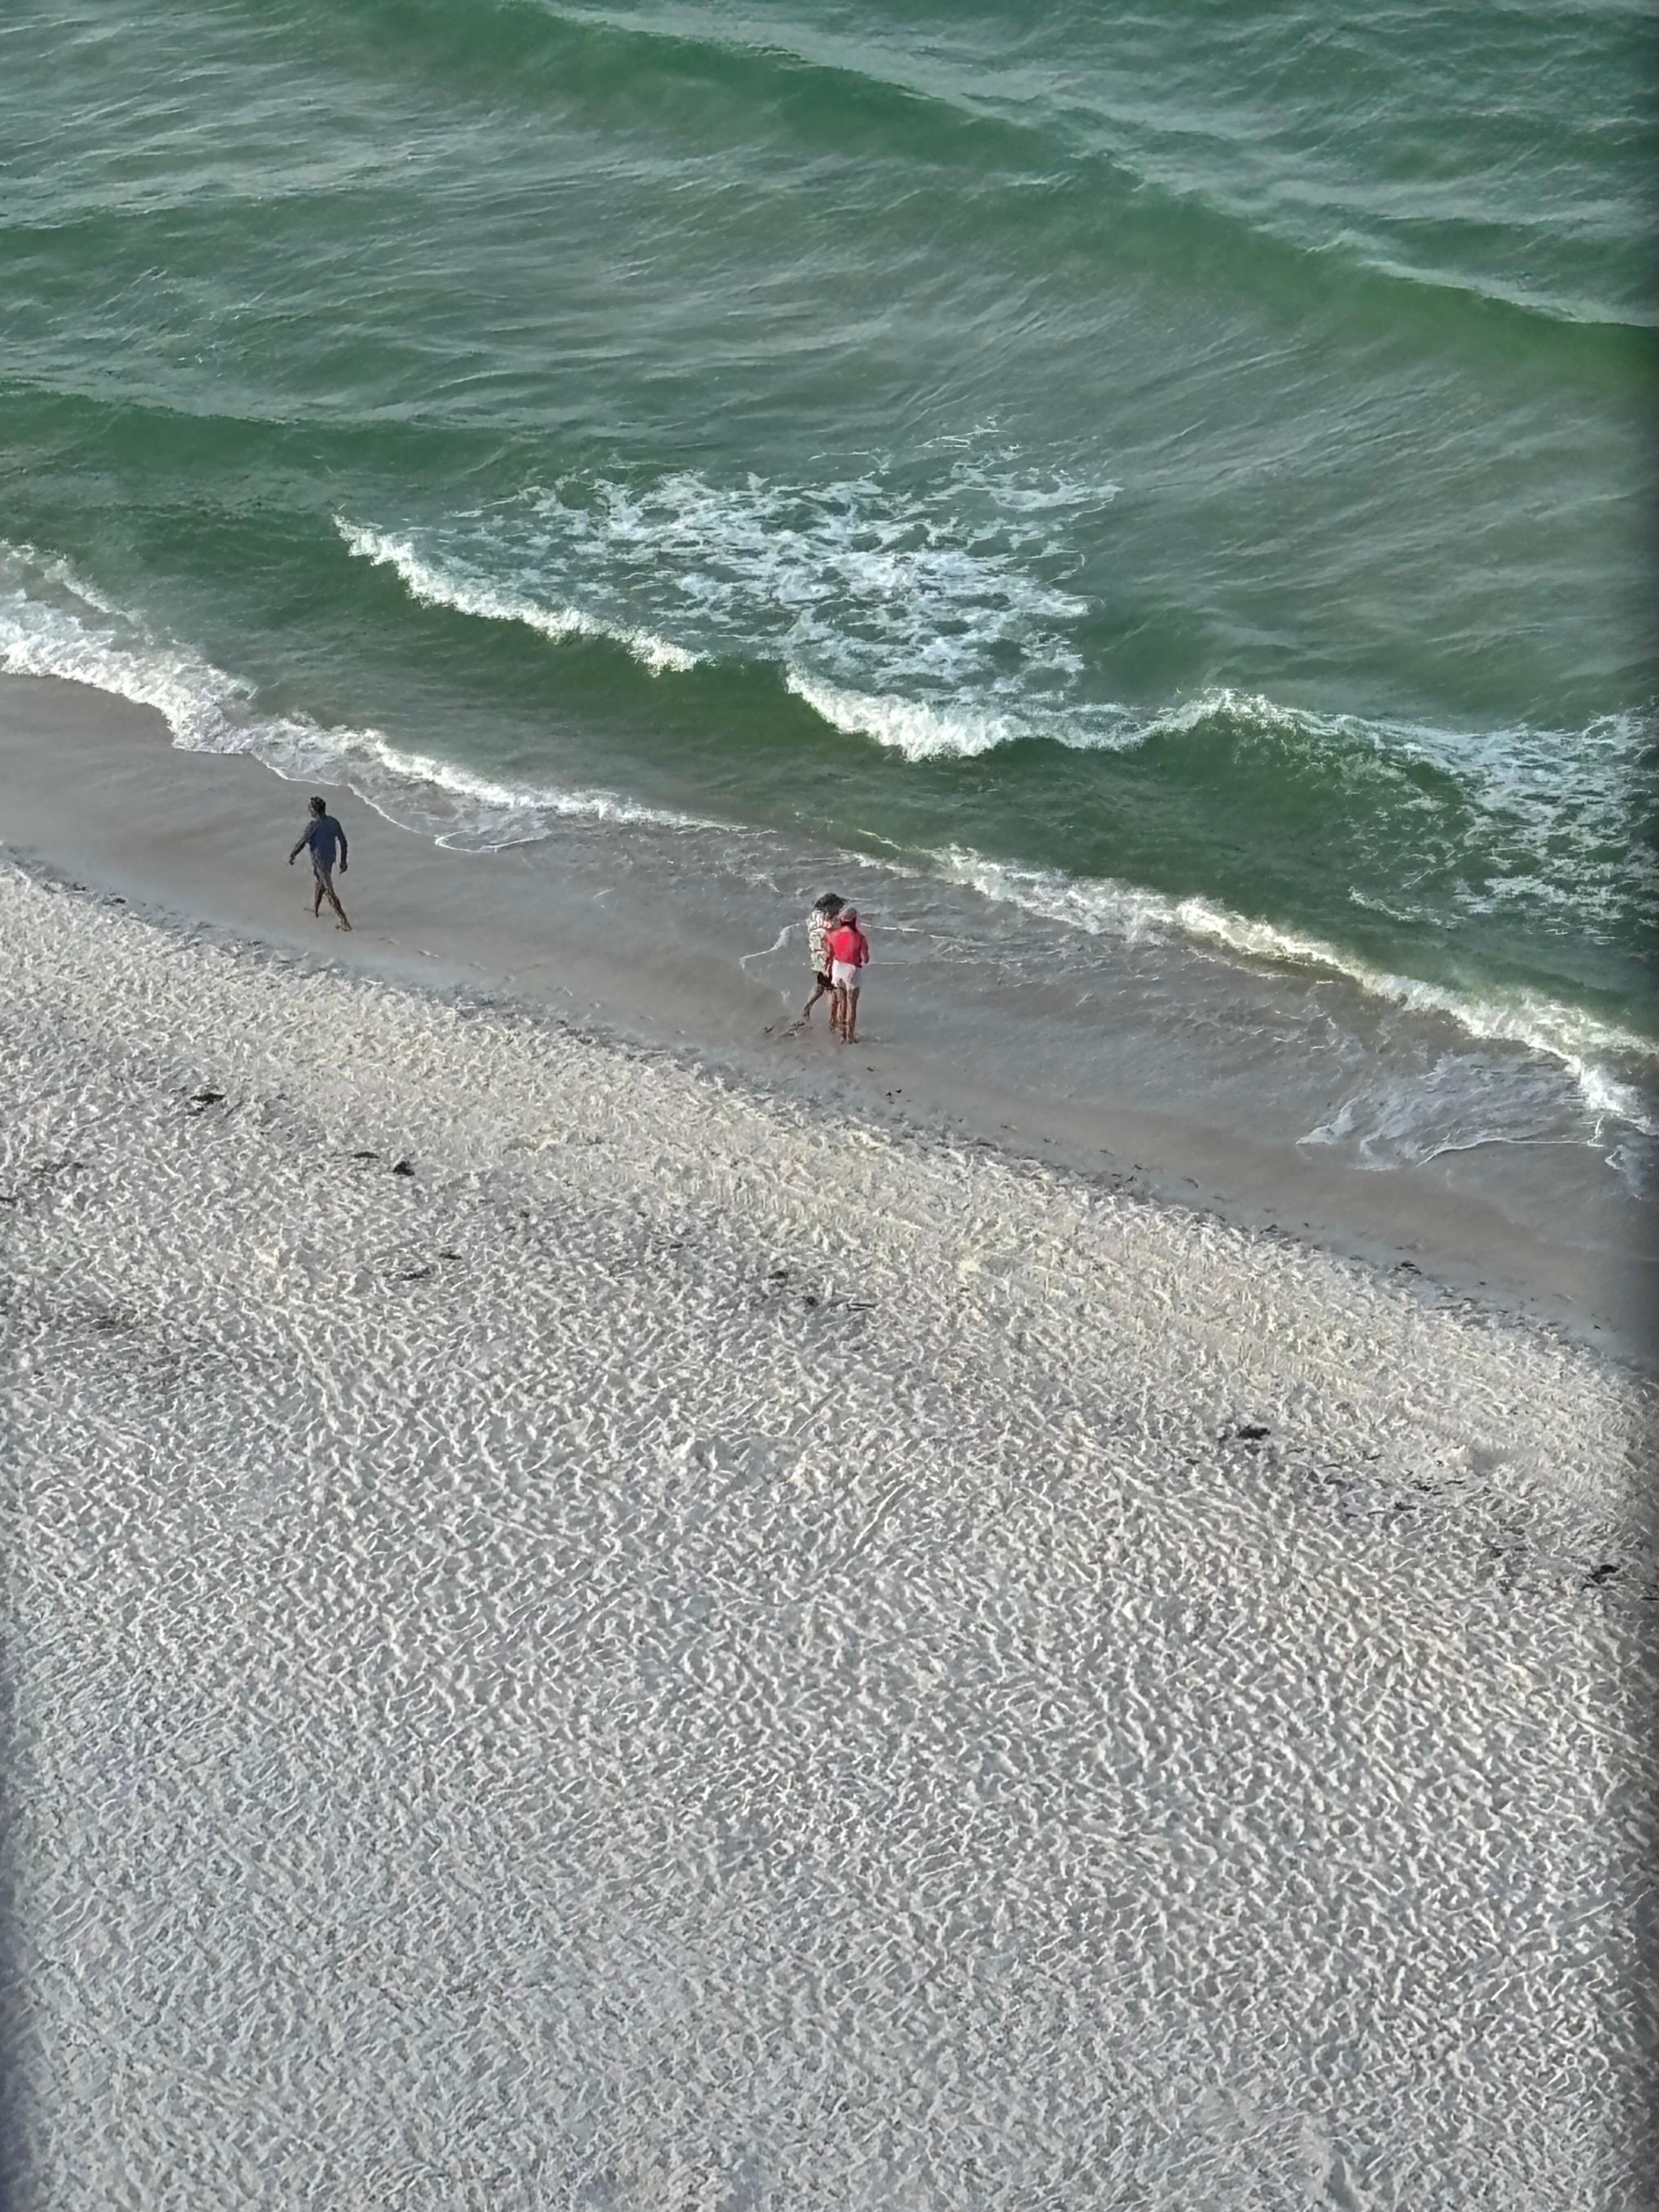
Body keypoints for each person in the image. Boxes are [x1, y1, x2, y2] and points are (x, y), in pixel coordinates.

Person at [289, 794, 351, 930]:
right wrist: (343, 861)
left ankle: (344, 920)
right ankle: (316, 910)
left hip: (320, 861)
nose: (309, 810)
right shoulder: (333, 822)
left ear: (314, 810)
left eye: (310, 807)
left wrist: (293, 855)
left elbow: (303, 842)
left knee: (329, 891)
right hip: (330, 858)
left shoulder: (313, 825)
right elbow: (343, 842)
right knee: (319, 883)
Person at [826, 904, 869, 1043]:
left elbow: (830, 955)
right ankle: (850, 1036)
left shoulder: (833, 935)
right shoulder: (860, 938)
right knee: (852, 1005)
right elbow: (866, 959)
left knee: (841, 1002)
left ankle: (842, 1034)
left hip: (838, 968)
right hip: (852, 970)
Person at [802, 893, 845, 1024]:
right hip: (827, 958)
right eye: (837, 908)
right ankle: (833, 1022)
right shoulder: (829, 922)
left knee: (820, 986)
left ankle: (807, 1009)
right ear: (828, 907)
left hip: (816, 956)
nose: (839, 911)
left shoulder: (814, 917)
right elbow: (829, 941)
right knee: (832, 990)